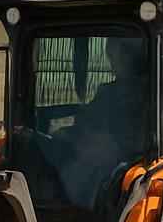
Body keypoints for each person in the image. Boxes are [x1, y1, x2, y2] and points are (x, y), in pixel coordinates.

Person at [59, 37, 147, 207]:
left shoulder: (147, 95)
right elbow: (86, 120)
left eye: (116, 57)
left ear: (132, 57)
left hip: (120, 162)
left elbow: (136, 141)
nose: (112, 63)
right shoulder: (107, 91)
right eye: (110, 56)